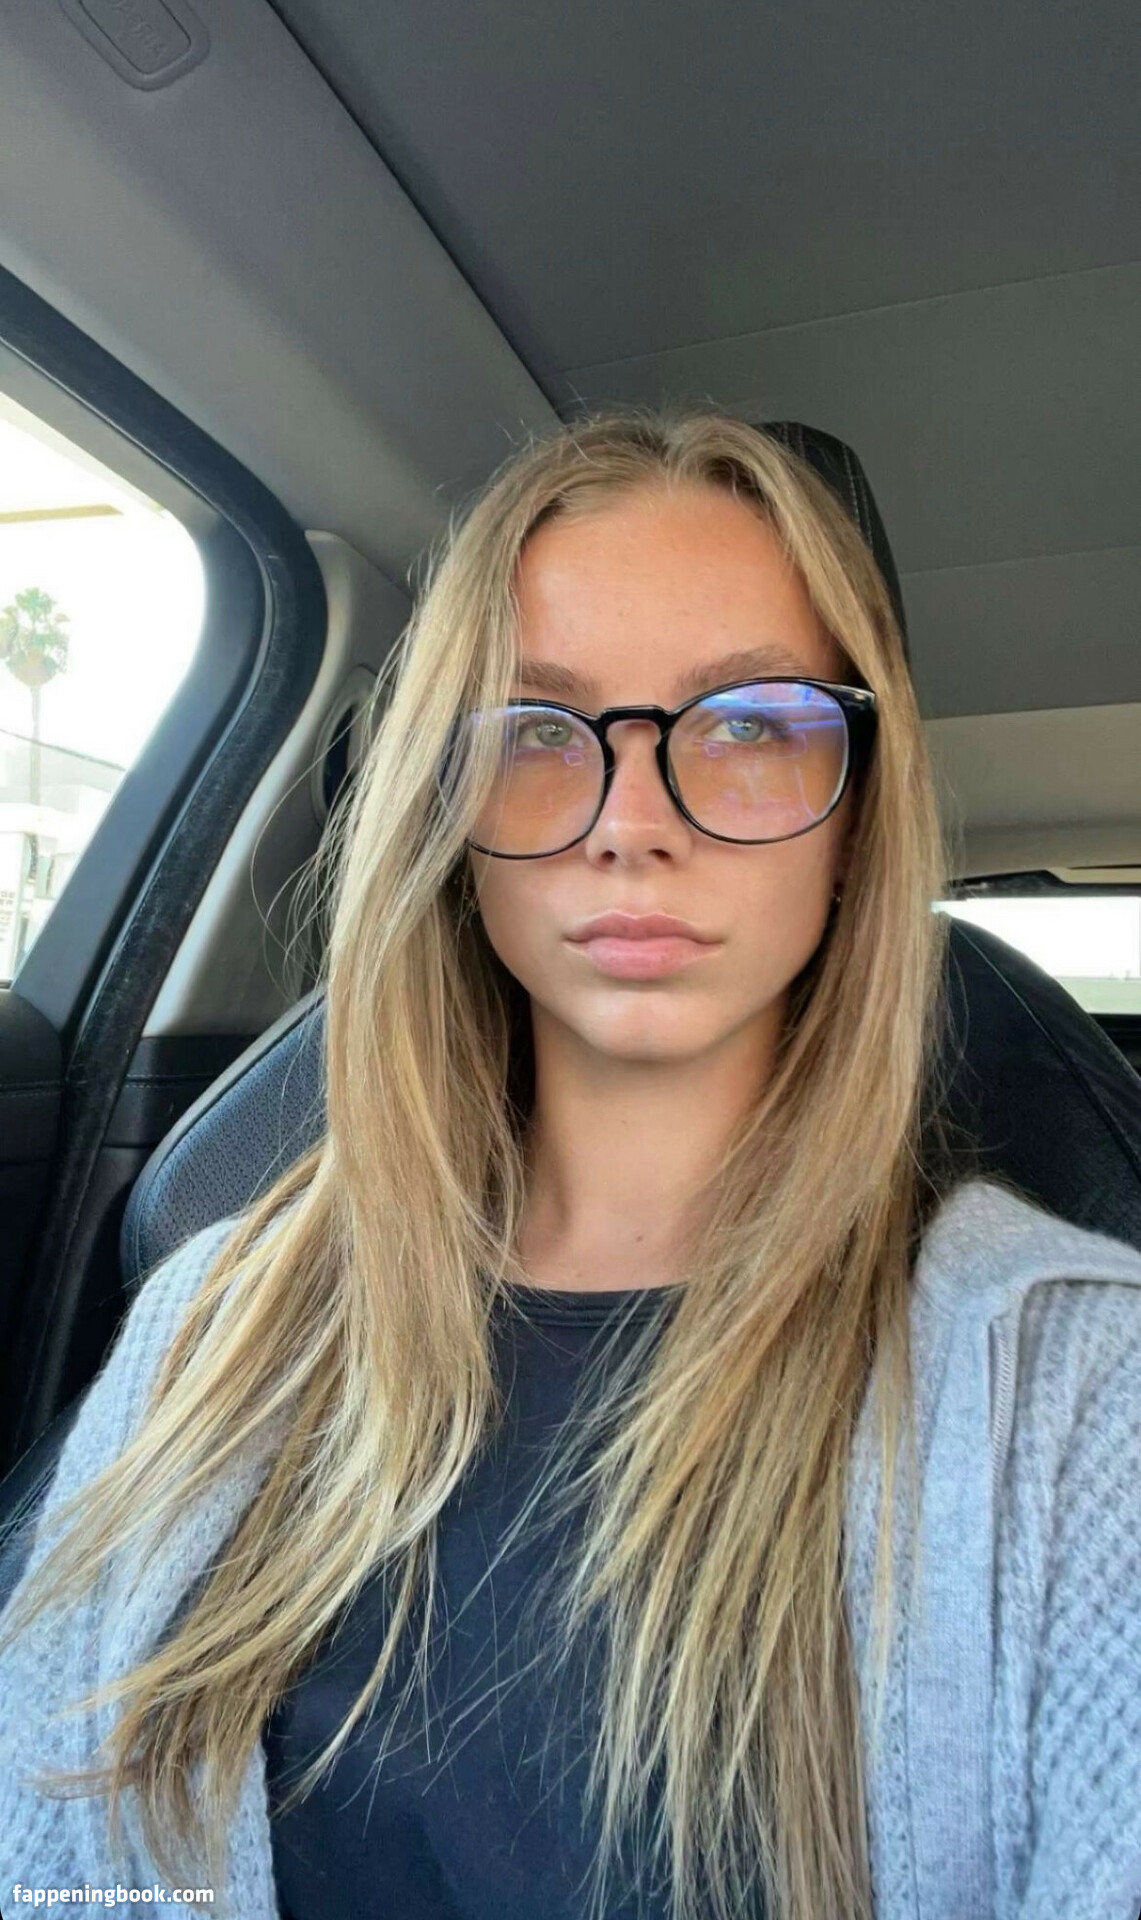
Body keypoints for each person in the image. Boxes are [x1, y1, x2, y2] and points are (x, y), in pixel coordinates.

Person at [1, 407, 1140, 1920]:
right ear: (445, 813)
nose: (633, 823)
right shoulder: (210, 1326)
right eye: (538, 733)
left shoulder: (1077, 1395)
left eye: (750, 725)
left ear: (860, 814)